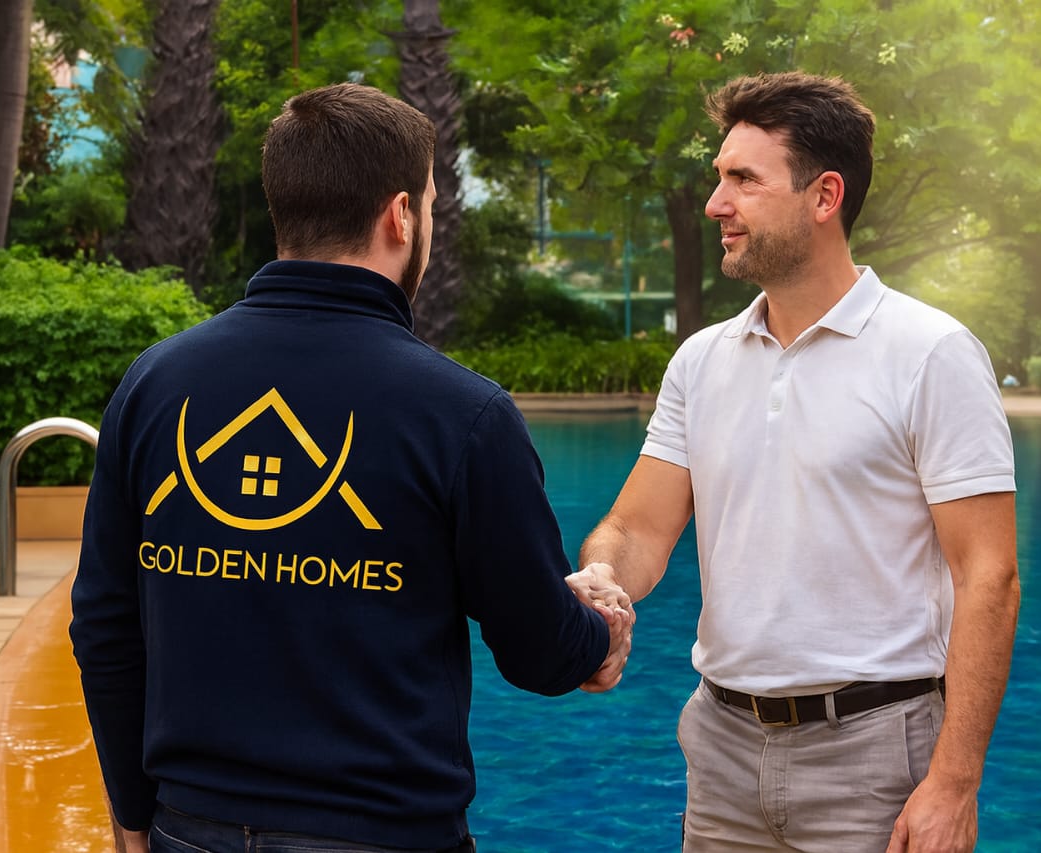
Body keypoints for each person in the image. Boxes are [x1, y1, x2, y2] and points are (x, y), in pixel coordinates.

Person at [70, 82, 632, 853]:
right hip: (383, 832)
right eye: (430, 204)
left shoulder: (157, 384)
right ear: (401, 215)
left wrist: (135, 816)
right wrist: (598, 631)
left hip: (188, 829)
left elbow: (104, 624)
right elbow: (538, 650)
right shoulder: (461, 413)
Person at [569, 71, 1019, 852]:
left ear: (824, 196)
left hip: (877, 757)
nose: (717, 204)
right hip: (719, 747)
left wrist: (953, 780)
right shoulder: (702, 361)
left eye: (743, 179)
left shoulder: (931, 353)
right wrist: (603, 582)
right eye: (719, 178)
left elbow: (990, 574)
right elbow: (637, 528)